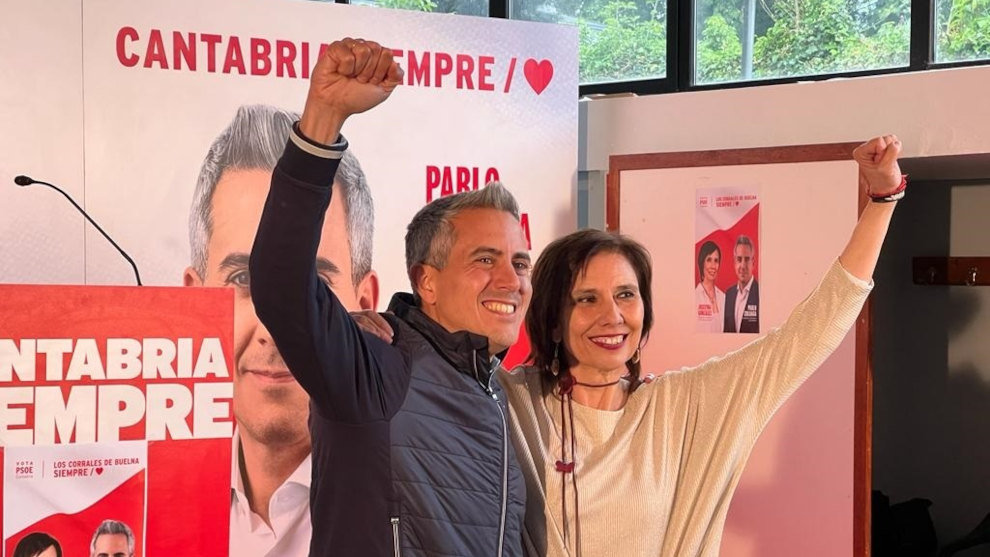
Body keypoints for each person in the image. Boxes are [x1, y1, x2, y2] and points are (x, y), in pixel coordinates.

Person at [496, 135, 905, 556]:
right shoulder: (512, 401)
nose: (612, 316)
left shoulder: (686, 405)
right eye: (586, 299)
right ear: (553, 319)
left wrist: (882, 198)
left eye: (625, 295)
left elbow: (814, 328)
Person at [249, 38, 528, 557]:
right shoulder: (377, 369)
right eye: (485, 260)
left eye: (519, 262)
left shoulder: (502, 395)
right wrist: (323, 120)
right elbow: (281, 283)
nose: (511, 281)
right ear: (427, 281)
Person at [182, 104, 379, 556]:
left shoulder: (421, 496)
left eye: (311, 286)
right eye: (243, 279)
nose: (275, 327)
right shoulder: (134, 500)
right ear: (191, 302)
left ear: (365, 304)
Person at [724, 235, 759, 333]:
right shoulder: (728, 295)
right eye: (739, 259)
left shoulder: (761, 294)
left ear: (753, 263)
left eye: (747, 259)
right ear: (734, 262)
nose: (743, 266)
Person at [694, 240, 725, 332]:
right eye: (709, 260)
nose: (713, 266)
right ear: (702, 263)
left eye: (716, 261)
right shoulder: (694, 297)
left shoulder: (724, 298)